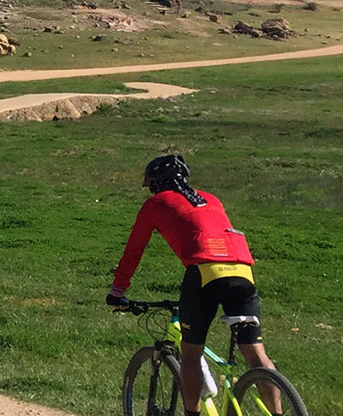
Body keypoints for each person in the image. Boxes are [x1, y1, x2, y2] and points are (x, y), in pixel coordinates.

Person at [107, 155, 280, 416]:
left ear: (157, 183)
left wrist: (118, 291)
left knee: (190, 355)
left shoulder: (155, 203)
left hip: (205, 272)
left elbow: (134, 250)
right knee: (257, 356)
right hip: (243, 271)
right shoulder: (211, 199)